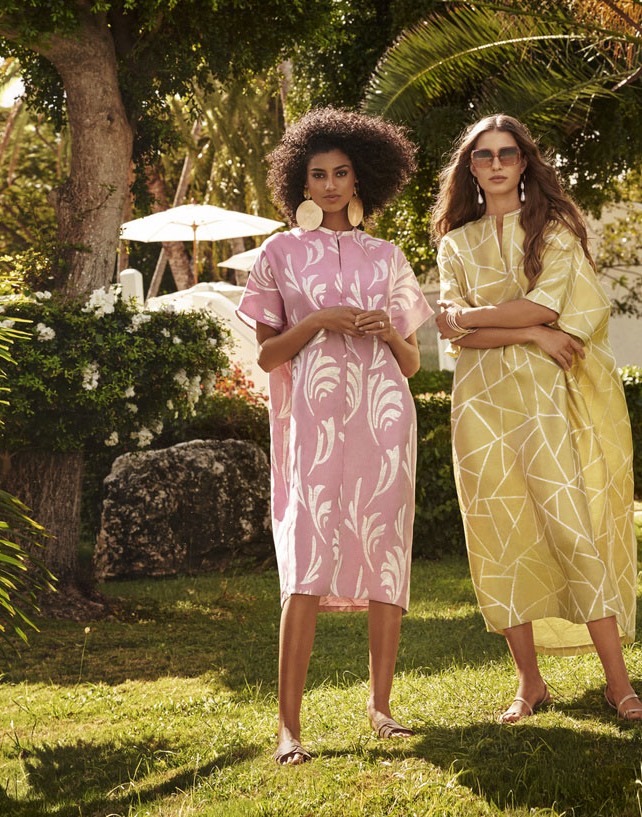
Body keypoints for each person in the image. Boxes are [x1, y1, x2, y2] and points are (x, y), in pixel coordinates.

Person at [431, 114, 642, 723]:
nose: (496, 164)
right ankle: (529, 683)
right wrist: (529, 330)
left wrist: (486, 318)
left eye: (507, 153)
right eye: (483, 156)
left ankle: (619, 684)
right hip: (480, 406)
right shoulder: (455, 244)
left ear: (524, 162)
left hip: (549, 404)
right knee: (501, 532)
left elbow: (547, 306)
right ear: (470, 169)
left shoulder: (554, 233)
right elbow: (458, 331)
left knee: (571, 527)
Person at [238, 108, 435, 765]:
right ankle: (288, 728)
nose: (328, 185)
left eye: (340, 173)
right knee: (305, 564)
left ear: (359, 179)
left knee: (386, 558)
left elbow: (412, 364)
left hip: (385, 421)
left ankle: (381, 708)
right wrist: (319, 320)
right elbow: (268, 355)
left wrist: (386, 331)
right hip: (313, 426)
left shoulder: (388, 257)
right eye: (317, 174)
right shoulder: (279, 253)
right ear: (300, 180)